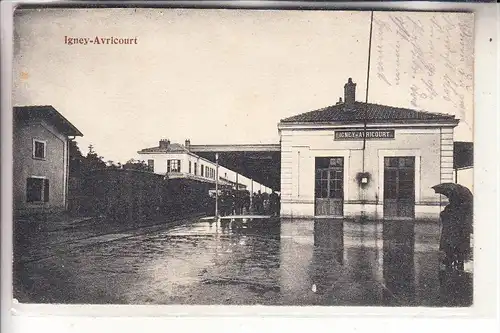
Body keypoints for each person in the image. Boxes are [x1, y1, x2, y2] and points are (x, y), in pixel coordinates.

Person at [439, 194, 472, 271]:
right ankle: (458, 264)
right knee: (459, 250)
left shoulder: (450, 207)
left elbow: (444, 216)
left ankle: (451, 262)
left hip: (452, 232)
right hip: (459, 232)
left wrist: (443, 213)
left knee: (451, 247)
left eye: (450, 199)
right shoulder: (463, 208)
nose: (449, 200)